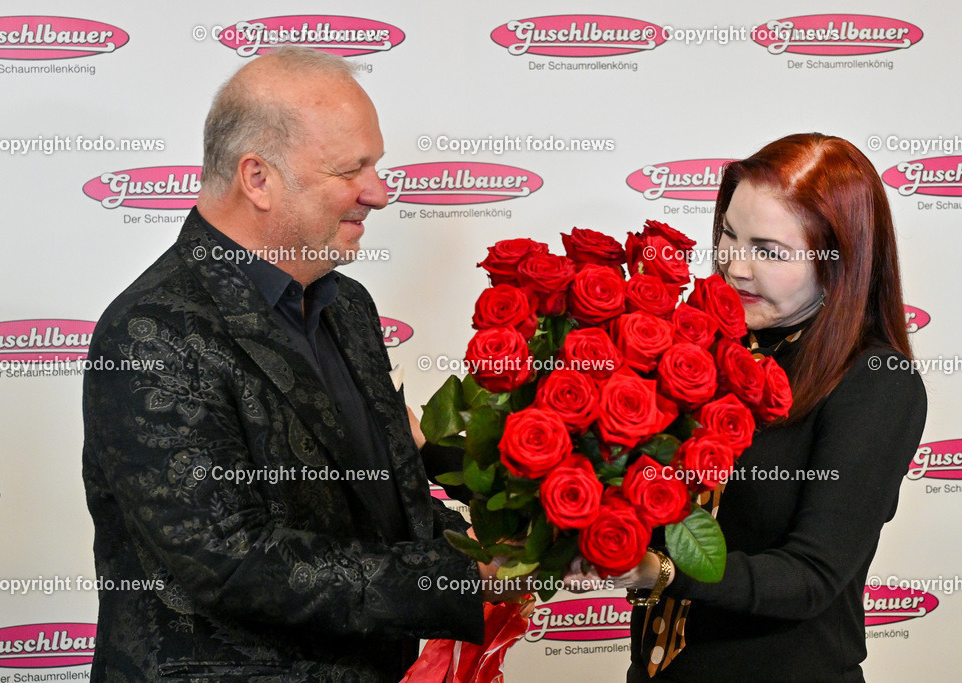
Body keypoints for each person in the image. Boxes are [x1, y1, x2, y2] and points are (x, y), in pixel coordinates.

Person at [82, 47, 509, 682]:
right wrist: (456, 579)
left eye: (376, 165)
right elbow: (229, 561)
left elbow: (390, 504)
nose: (380, 193)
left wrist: (496, 554)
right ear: (257, 179)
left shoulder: (348, 305)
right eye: (350, 170)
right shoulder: (153, 330)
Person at [570, 133, 927, 681]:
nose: (736, 267)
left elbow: (810, 578)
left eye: (769, 251)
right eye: (729, 236)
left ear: (841, 261)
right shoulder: (709, 351)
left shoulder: (875, 383)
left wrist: (661, 571)